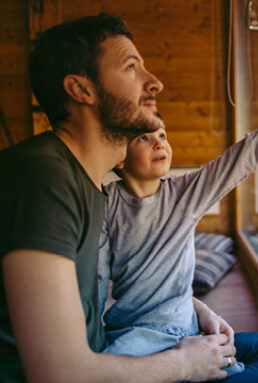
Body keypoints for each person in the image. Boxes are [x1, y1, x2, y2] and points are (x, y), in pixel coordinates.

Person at [0, 14, 239, 382]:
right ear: (81, 90)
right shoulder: (42, 179)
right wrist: (184, 364)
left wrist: (194, 307)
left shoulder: (91, 185)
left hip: (103, 351)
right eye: (131, 67)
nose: (154, 83)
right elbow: (58, 374)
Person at [97, 79, 258, 382]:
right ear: (119, 157)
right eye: (144, 139)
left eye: (162, 135)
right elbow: (93, 285)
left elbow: (240, 158)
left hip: (172, 332)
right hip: (139, 342)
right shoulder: (104, 204)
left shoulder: (184, 193)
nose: (160, 143)